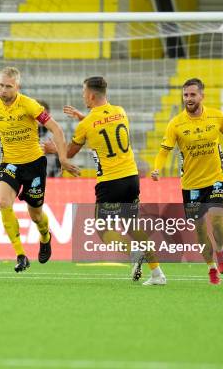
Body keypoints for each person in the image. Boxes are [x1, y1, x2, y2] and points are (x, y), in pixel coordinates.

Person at [64, 76, 166, 285]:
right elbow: (105, 127)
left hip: (110, 182)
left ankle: (133, 253)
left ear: (91, 95)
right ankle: (157, 274)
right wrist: (83, 118)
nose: (83, 96)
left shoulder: (86, 125)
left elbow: (70, 153)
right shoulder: (120, 112)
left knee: (102, 228)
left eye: (84, 93)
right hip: (131, 178)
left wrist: (53, 148)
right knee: (132, 226)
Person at [0, 66, 79, 272]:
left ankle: (45, 236)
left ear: (17, 87)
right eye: (0, 85)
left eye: (8, 86)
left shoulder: (29, 105)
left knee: (36, 215)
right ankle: (20, 255)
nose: (3, 90)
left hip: (34, 164)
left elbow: (56, 128)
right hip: (10, 164)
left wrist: (63, 157)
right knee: (3, 202)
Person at [151, 78, 223, 285]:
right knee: (200, 228)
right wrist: (157, 168)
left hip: (215, 179)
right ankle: (211, 268)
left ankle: (220, 251)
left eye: (193, 95)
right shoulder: (176, 123)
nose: (188, 99)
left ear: (202, 96)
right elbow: (164, 150)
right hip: (191, 184)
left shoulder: (217, 117)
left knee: (217, 219)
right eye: (185, 95)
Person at [38, 101, 62, 177]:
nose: (39, 118)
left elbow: (66, 155)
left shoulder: (55, 132)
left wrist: (56, 150)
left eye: (43, 114)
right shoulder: (23, 131)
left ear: (48, 115)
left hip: (50, 175)